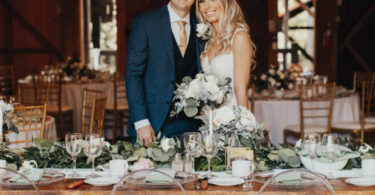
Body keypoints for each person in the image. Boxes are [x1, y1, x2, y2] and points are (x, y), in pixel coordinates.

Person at [126, 0, 203, 147]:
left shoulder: (201, 26)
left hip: (192, 129)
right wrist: (141, 121)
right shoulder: (145, 23)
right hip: (152, 126)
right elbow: (133, 75)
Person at [196, 0, 256, 109]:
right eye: (202, 1)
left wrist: (244, 123)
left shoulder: (239, 36)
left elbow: (241, 89)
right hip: (210, 120)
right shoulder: (207, 41)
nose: (207, 6)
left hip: (232, 115)